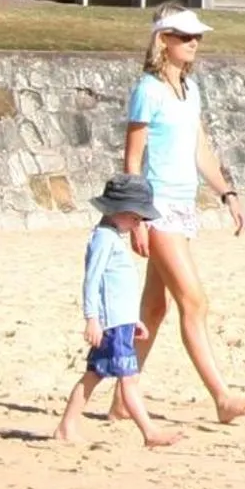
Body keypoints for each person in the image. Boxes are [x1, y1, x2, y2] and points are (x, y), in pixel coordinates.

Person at [122, 7, 245, 424]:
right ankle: (222, 397)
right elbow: (132, 160)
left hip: (183, 206)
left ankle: (121, 399)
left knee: (153, 309)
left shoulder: (190, 89)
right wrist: (138, 217)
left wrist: (227, 193)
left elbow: (200, 149)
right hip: (158, 207)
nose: (194, 43)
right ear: (163, 39)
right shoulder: (147, 90)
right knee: (194, 302)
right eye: (185, 37)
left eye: (196, 37)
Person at [56, 173, 183, 448]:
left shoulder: (113, 236)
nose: (138, 224)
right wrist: (92, 318)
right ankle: (149, 432)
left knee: (94, 375)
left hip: (120, 323)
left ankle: (66, 426)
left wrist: (133, 320)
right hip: (111, 326)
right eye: (135, 218)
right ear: (118, 211)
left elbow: (118, 289)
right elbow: (92, 281)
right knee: (127, 378)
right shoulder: (103, 239)